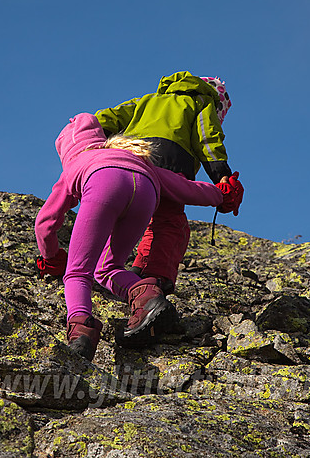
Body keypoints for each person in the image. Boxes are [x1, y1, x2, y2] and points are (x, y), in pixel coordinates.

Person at [34, 113, 231, 360]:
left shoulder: (77, 163)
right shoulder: (133, 155)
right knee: (107, 268)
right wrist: (221, 195)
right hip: (145, 192)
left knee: (77, 271)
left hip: (103, 184)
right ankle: (146, 295)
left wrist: (51, 257)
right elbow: (184, 187)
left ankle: (81, 329)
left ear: (67, 150)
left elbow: (45, 222)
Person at [93, 71, 244, 323]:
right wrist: (222, 176)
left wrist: (94, 143)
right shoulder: (200, 102)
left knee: (129, 215)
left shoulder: (146, 101)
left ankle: (128, 270)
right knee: (168, 220)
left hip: (130, 158)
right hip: (172, 160)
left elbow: (106, 117)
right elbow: (207, 138)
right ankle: (156, 277)